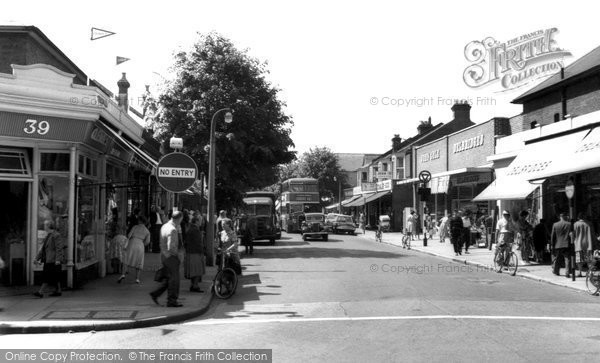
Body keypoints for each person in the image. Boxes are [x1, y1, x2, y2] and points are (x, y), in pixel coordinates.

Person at [150, 211, 184, 307]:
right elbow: (171, 247)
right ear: (180, 218)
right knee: (174, 280)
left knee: (168, 278)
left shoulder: (164, 226)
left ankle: (156, 294)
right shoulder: (172, 229)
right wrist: (178, 255)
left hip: (164, 256)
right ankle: (172, 300)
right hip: (171, 257)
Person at [33, 220, 64, 297]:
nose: (44, 226)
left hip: (53, 260)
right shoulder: (48, 236)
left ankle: (41, 292)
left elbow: (59, 248)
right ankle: (58, 291)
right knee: (55, 276)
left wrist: (58, 260)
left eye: (45, 225)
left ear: (48, 226)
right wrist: (36, 258)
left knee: (47, 276)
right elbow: (43, 249)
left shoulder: (56, 235)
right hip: (48, 259)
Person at [119, 215, 150, 284]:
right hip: (140, 244)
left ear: (140, 220)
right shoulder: (147, 231)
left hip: (132, 243)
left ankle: (123, 274)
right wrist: (142, 244)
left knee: (127, 259)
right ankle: (137, 279)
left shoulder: (135, 227)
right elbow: (147, 241)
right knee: (139, 261)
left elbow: (129, 235)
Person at [185, 215, 206, 292]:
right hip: (196, 253)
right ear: (196, 221)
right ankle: (195, 286)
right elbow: (198, 243)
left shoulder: (190, 228)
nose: (201, 222)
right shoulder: (195, 230)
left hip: (190, 252)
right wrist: (203, 252)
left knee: (193, 271)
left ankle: (193, 285)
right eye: (200, 220)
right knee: (197, 270)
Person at [551, 212, 573, 278]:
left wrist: (552, 244)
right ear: (565, 217)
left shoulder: (555, 224)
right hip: (566, 244)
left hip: (558, 244)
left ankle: (556, 271)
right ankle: (567, 272)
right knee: (567, 259)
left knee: (558, 258)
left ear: (560, 217)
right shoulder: (569, 224)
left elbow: (553, 236)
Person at [573, 213, 594, 277]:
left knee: (579, 260)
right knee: (589, 259)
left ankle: (580, 272)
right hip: (588, 244)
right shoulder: (589, 224)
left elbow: (573, 235)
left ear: (578, 217)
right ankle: (590, 272)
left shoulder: (575, 224)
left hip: (578, 244)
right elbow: (593, 234)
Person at [106, 208, 126, 274]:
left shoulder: (113, 222)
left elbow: (112, 232)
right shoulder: (118, 222)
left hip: (114, 239)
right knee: (121, 255)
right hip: (120, 239)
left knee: (115, 255)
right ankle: (120, 269)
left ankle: (115, 269)